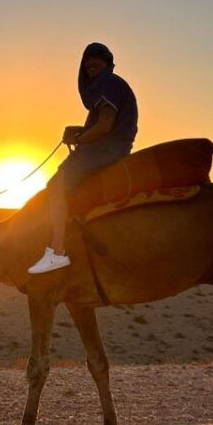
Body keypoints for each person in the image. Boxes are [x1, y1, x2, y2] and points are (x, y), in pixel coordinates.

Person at [28, 43, 138, 274]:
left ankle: (57, 252)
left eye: (97, 58)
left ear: (108, 63)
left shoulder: (109, 83)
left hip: (107, 148)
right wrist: (80, 134)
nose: (90, 63)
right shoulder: (108, 87)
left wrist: (80, 139)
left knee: (55, 185)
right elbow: (103, 125)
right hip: (108, 146)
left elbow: (105, 126)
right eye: (87, 59)